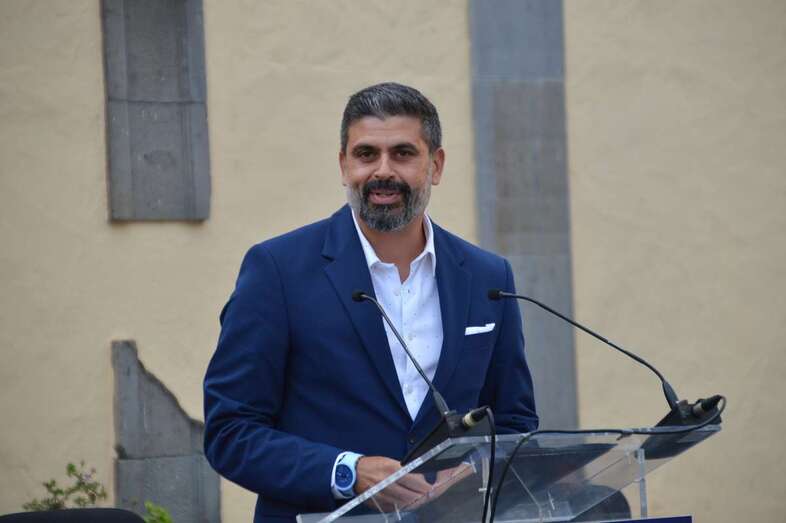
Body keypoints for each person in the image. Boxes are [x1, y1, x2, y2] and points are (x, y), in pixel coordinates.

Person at [203, 82, 538, 523]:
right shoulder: (277, 270)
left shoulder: (488, 277)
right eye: (365, 155)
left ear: (435, 165)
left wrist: (477, 470)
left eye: (403, 153)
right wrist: (345, 471)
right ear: (344, 165)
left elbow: (514, 422)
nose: (383, 171)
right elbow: (231, 432)